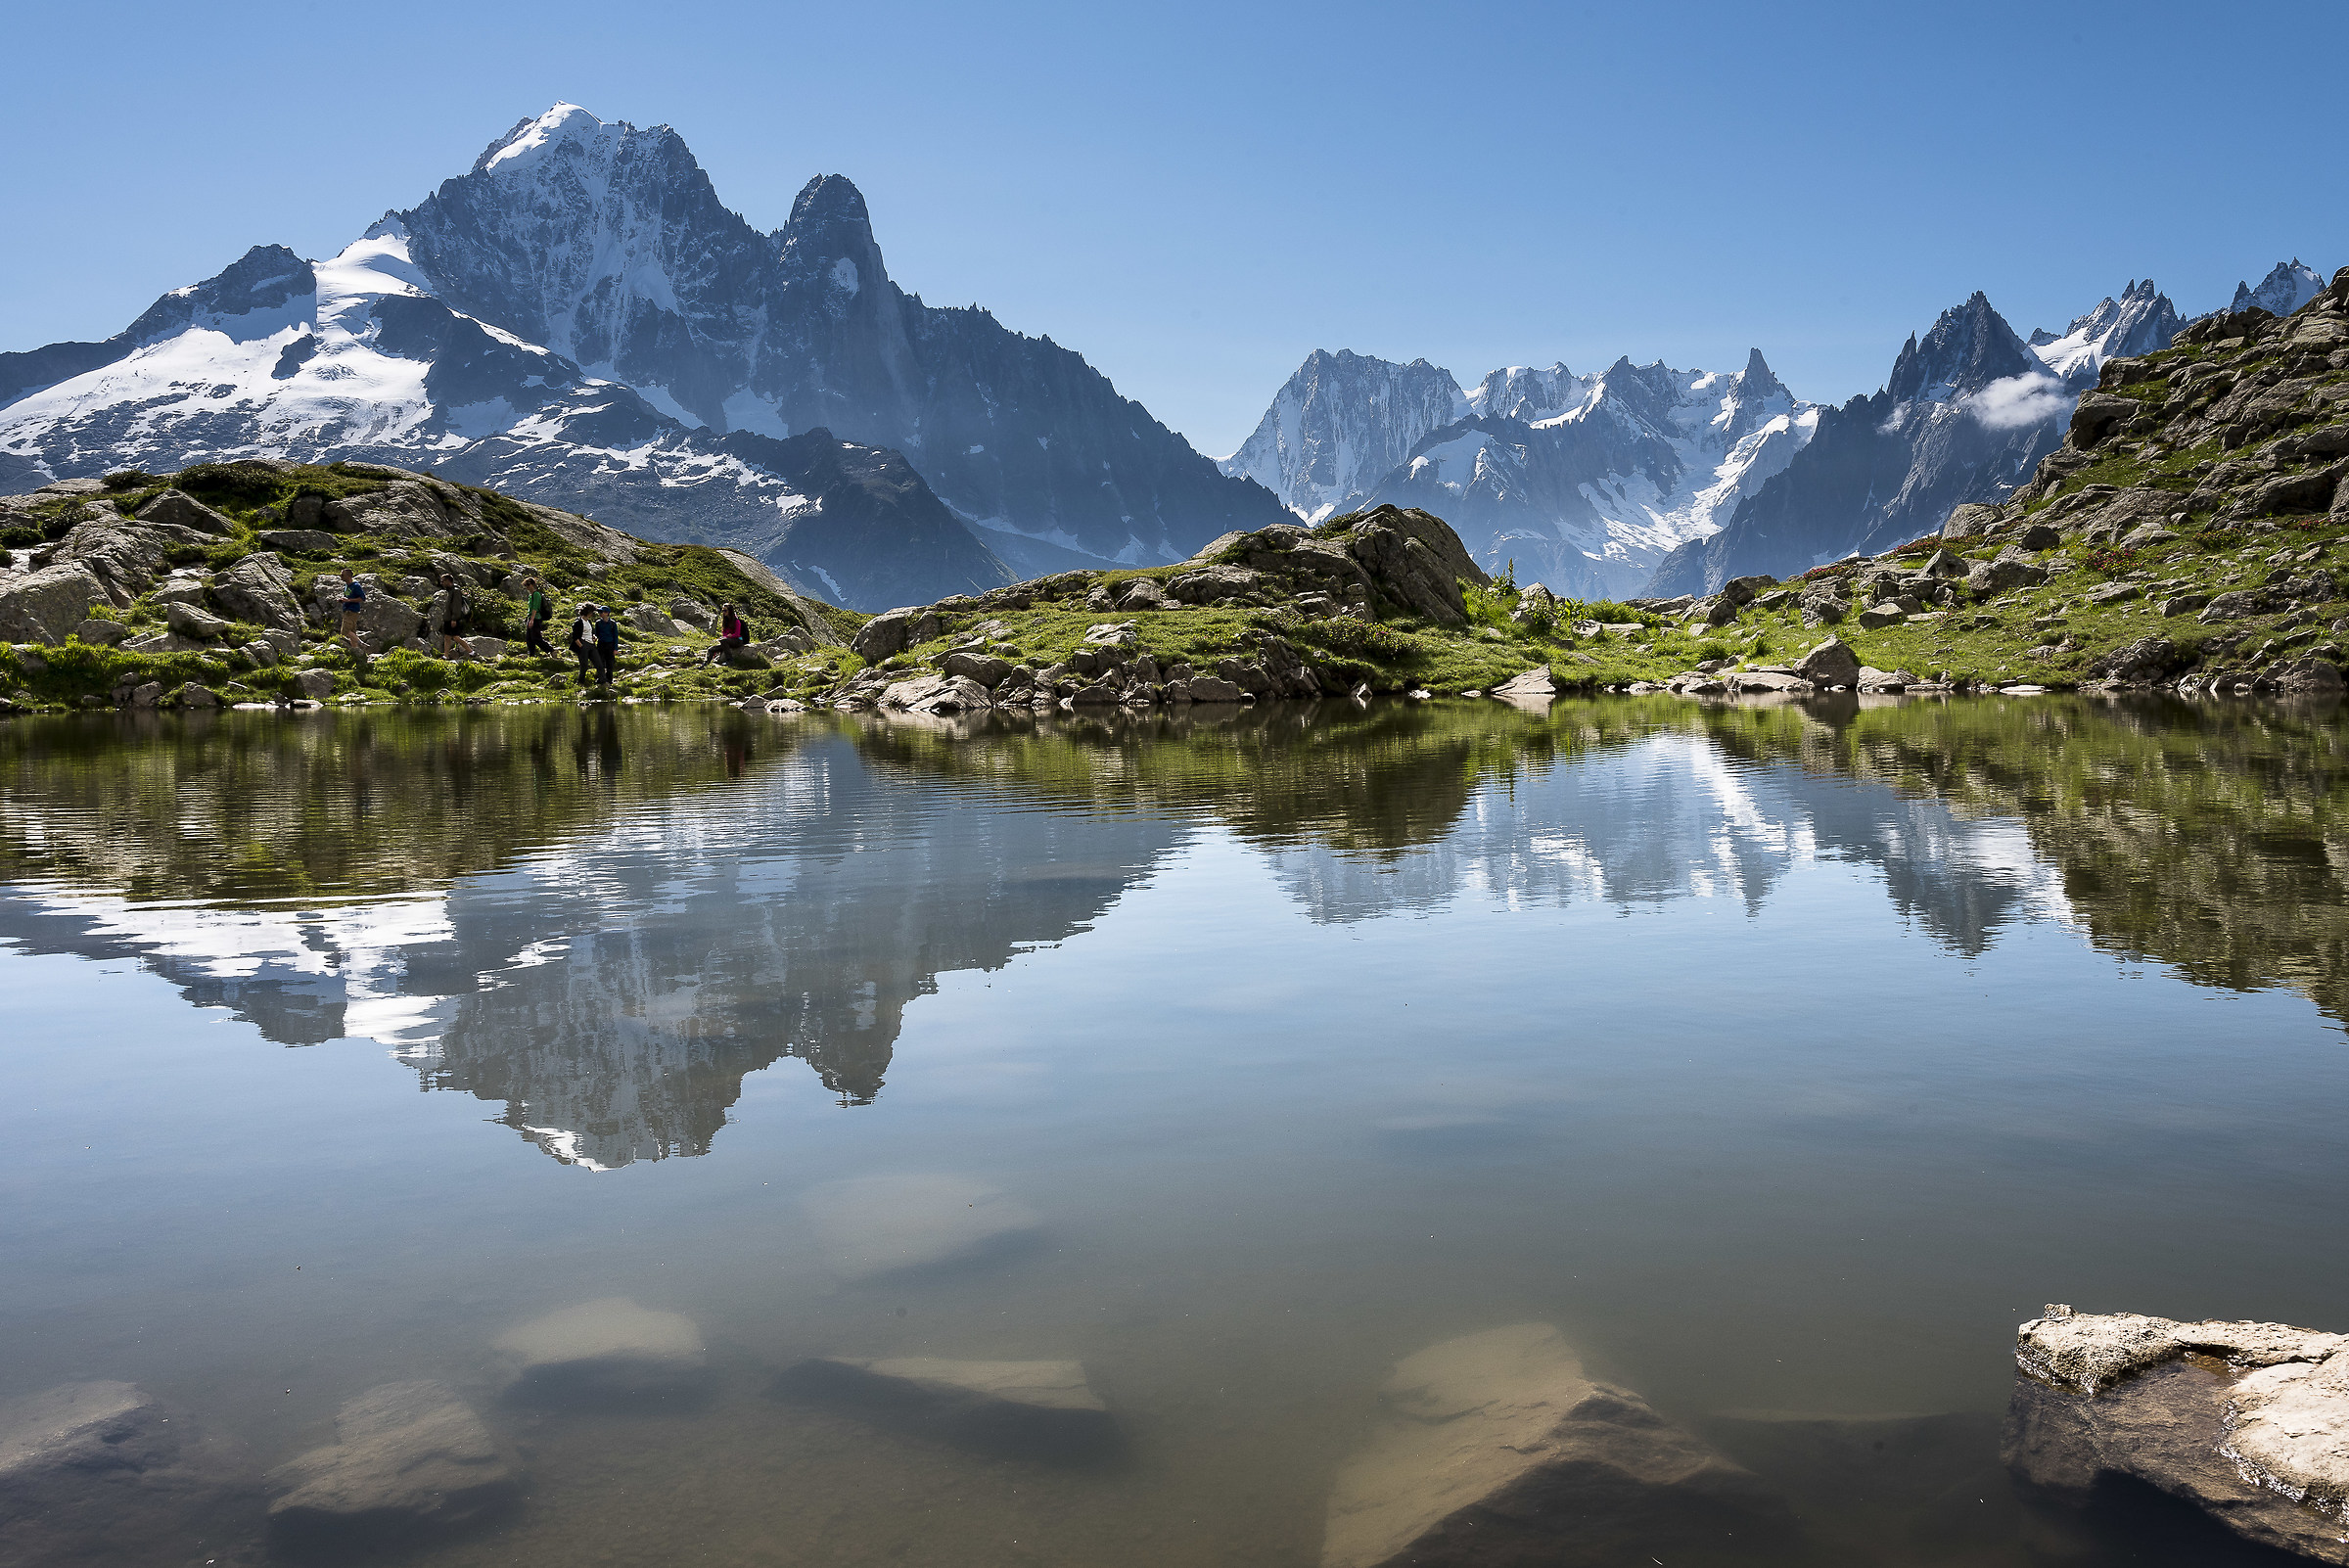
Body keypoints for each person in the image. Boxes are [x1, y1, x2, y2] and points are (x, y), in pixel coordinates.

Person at [430, 573, 474, 660]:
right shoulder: (450, 591)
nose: (441, 583)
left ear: (448, 581)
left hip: (452, 619)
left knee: (456, 638)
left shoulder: (456, 591)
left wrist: (454, 619)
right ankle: (445, 656)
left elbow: (456, 606)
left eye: (443, 581)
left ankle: (471, 652)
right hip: (448, 618)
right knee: (447, 637)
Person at [701, 602, 751, 666]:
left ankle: (730, 661)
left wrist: (730, 636)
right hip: (727, 641)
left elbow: (737, 634)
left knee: (723, 640)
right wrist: (725, 637)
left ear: (730, 611)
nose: (723, 612)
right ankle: (705, 664)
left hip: (738, 640)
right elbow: (724, 632)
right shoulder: (725, 621)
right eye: (723, 610)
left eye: (725, 610)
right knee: (711, 649)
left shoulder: (737, 621)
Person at [336, 569, 368, 662]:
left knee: (344, 631)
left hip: (352, 611)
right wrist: (343, 600)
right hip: (347, 610)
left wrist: (349, 601)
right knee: (352, 632)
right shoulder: (346, 586)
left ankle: (361, 643)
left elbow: (362, 598)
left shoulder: (356, 586)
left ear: (348, 576)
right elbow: (349, 597)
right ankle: (357, 654)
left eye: (342, 575)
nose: (341, 577)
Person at [567, 604, 599, 684]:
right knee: (584, 666)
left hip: (591, 644)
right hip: (583, 645)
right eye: (591, 612)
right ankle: (580, 682)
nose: (592, 614)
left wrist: (593, 637)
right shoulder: (578, 622)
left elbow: (591, 633)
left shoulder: (589, 621)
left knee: (598, 663)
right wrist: (581, 646)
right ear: (587, 612)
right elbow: (575, 637)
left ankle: (601, 680)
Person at [521, 576, 553, 657]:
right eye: (526, 586)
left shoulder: (537, 594)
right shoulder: (530, 596)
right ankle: (531, 654)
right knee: (529, 638)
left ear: (532, 585)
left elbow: (535, 608)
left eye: (528, 585)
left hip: (536, 618)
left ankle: (550, 649)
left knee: (536, 638)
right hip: (530, 618)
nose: (527, 587)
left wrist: (532, 620)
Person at [591, 605, 622, 685]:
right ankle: (601, 678)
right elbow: (596, 634)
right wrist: (594, 637)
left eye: (601, 612)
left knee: (610, 663)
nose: (600, 613)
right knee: (600, 662)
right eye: (599, 612)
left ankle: (609, 679)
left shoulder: (613, 624)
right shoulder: (598, 623)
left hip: (610, 645)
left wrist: (615, 649)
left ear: (607, 613)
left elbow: (615, 636)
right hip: (601, 644)